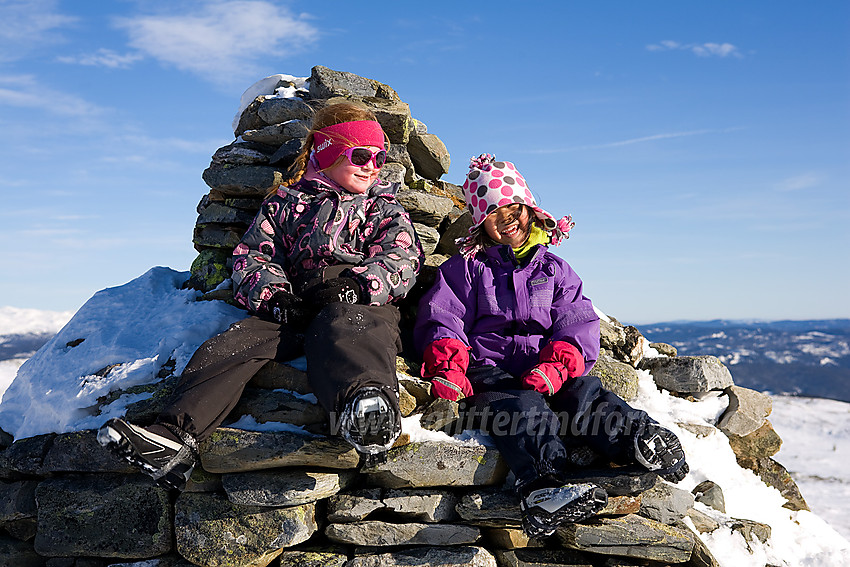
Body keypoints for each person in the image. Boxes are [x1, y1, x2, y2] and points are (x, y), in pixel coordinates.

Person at [99, 102, 424, 490]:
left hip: (359, 301)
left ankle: (368, 408)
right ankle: (174, 437)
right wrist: (276, 298)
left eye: (379, 157)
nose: (371, 165)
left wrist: (358, 285)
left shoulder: (382, 207)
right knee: (234, 343)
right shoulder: (285, 204)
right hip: (297, 302)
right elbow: (253, 256)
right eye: (360, 154)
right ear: (327, 151)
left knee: (349, 329)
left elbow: (403, 256)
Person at [413, 154, 688, 538]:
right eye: (493, 213)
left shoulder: (554, 270)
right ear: (480, 223)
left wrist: (559, 365)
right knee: (522, 408)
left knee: (585, 393)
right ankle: (543, 485)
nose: (506, 219)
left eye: (512, 208)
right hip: (490, 369)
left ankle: (639, 439)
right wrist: (450, 366)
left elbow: (577, 322)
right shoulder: (465, 269)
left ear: (528, 209)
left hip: (545, 366)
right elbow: (443, 316)